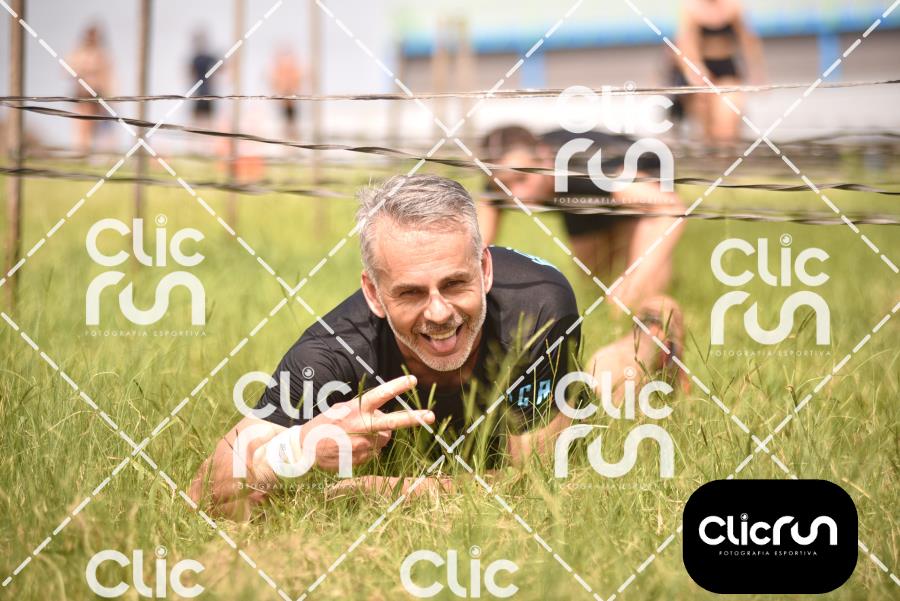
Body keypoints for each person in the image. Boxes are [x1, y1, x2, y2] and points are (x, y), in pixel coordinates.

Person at [190, 175, 685, 520]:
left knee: (610, 380)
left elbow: (534, 475)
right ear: (373, 294)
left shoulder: (540, 306)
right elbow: (205, 492)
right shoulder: (331, 355)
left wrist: (408, 489)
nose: (439, 312)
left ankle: (656, 326)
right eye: (409, 292)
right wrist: (293, 451)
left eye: (454, 283)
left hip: (524, 413)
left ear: (485, 271)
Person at [480, 125, 685, 313]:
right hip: (579, 201)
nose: (517, 195)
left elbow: (670, 207)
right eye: (505, 185)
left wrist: (633, 279)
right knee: (595, 283)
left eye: (522, 179)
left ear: (544, 157)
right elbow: (478, 241)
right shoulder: (503, 176)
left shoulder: (587, 167)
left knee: (635, 296)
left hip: (641, 193)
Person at [673, 0, 766, 143]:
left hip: (726, 68)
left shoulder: (734, 7)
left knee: (727, 125)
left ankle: (728, 148)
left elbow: (748, 40)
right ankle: (714, 151)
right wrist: (695, 71)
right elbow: (685, 44)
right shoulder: (691, 8)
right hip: (701, 70)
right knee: (707, 129)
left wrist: (757, 72)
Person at [67, 24, 114, 157]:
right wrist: (84, 70)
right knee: (81, 127)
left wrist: (109, 97)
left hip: (96, 95)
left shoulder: (102, 55)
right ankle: (80, 154)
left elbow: (107, 76)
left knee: (96, 128)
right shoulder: (78, 53)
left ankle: (90, 154)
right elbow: (67, 70)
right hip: (81, 95)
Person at [269, 45, 303, 139]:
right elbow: (274, 82)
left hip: (290, 101)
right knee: (287, 123)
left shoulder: (292, 70)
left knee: (291, 122)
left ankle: (291, 135)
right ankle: (289, 135)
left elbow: (297, 81)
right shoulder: (280, 70)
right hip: (285, 101)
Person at [189, 31, 218, 129]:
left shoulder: (200, 59)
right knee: (203, 122)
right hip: (203, 94)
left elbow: (191, 74)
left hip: (204, 94)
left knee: (203, 122)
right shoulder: (199, 59)